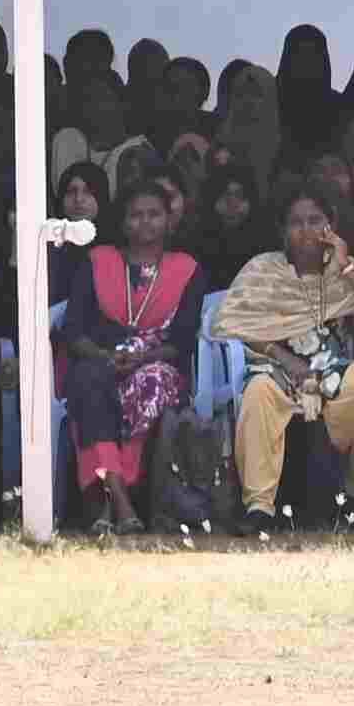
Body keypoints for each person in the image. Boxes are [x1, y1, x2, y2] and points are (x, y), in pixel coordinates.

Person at [216, 192, 354, 526]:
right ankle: (259, 508)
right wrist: (284, 358)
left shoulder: (347, 268)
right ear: (283, 231)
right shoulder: (263, 270)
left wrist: (346, 267)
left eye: (314, 221)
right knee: (258, 396)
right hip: (274, 366)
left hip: (333, 366)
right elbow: (232, 323)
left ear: (331, 225)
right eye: (296, 223)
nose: (306, 230)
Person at [61, 175, 203, 533]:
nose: (145, 222)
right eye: (136, 214)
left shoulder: (186, 269)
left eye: (154, 214)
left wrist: (140, 359)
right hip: (97, 361)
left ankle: (110, 503)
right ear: (123, 222)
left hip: (157, 365)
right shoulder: (98, 260)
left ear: (169, 220)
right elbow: (74, 330)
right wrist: (106, 357)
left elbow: (183, 340)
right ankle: (120, 501)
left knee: (150, 383)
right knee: (91, 382)